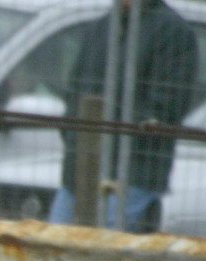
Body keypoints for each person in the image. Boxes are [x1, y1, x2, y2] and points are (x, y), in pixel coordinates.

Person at [48, 0, 198, 233]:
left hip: (134, 173)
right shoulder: (99, 27)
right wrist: (75, 138)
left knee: (101, 253)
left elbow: (168, 106)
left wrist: (111, 137)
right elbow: (74, 94)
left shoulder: (174, 33)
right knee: (53, 247)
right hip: (79, 174)